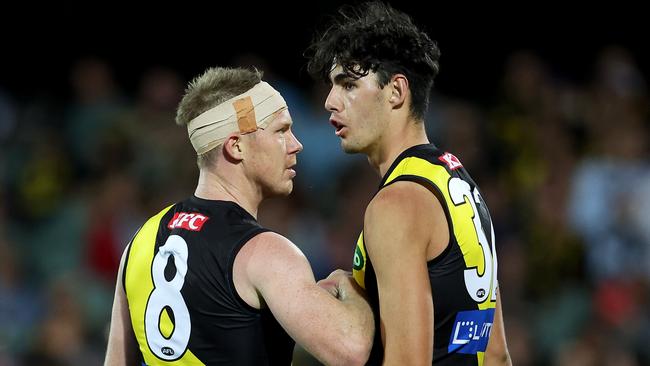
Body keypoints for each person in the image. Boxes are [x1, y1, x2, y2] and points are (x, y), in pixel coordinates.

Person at [104, 66, 374, 366]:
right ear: (236, 146)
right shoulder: (265, 252)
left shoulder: (139, 243)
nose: (296, 145)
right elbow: (351, 351)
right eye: (281, 131)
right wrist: (349, 285)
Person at [306, 2, 511, 365]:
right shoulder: (456, 179)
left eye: (349, 84)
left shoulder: (396, 205)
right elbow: (494, 353)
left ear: (396, 91)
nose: (329, 102)